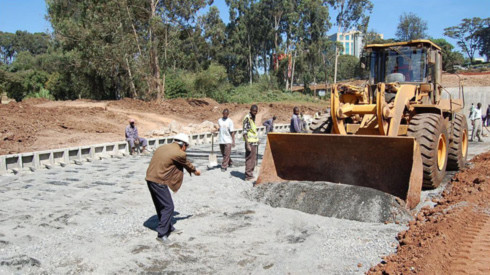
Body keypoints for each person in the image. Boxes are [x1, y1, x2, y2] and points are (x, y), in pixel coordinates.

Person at [145, 133, 201, 244]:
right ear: (183, 145)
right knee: (168, 207)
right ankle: (161, 234)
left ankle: (168, 227)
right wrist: (195, 171)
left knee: (161, 206)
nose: (186, 149)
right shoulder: (179, 153)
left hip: (150, 178)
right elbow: (186, 164)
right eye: (187, 147)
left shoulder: (163, 147)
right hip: (158, 180)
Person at [243, 105, 259, 181]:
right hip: (249, 143)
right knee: (249, 159)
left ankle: (250, 174)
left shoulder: (253, 118)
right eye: (253, 111)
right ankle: (248, 176)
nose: (255, 112)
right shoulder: (247, 118)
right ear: (250, 110)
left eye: (256, 111)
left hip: (253, 142)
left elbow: (253, 131)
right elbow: (245, 132)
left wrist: (257, 140)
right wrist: (247, 144)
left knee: (253, 159)